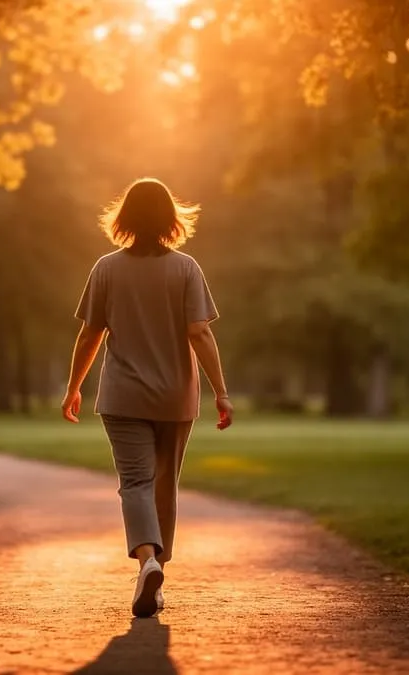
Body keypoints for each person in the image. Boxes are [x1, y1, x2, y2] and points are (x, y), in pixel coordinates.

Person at [61, 177, 234, 618]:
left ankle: (148, 562)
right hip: (176, 398)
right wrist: (222, 393)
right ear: (170, 220)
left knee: (135, 483)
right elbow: (200, 332)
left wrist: (73, 387)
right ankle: (157, 576)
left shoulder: (106, 268)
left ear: (125, 219)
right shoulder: (186, 269)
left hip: (123, 397)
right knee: (163, 486)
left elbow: (90, 334)